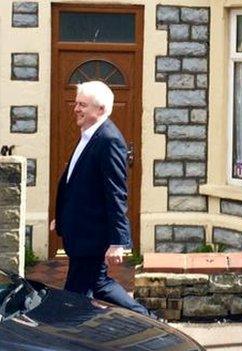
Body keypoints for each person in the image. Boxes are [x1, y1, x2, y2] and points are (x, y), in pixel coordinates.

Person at [50, 81, 150, 316]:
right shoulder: (89, 135)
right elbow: (76, 184)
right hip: (81, 233)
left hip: (91, 236)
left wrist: (118, 241)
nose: (76, 108)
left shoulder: (109, 140)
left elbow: (116, 193)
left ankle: (149, 323)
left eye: (82, 105)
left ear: (101, 110)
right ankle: (150, 322)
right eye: (77, 103)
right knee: (98, 285)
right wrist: (62, 217)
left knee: (75, 299)